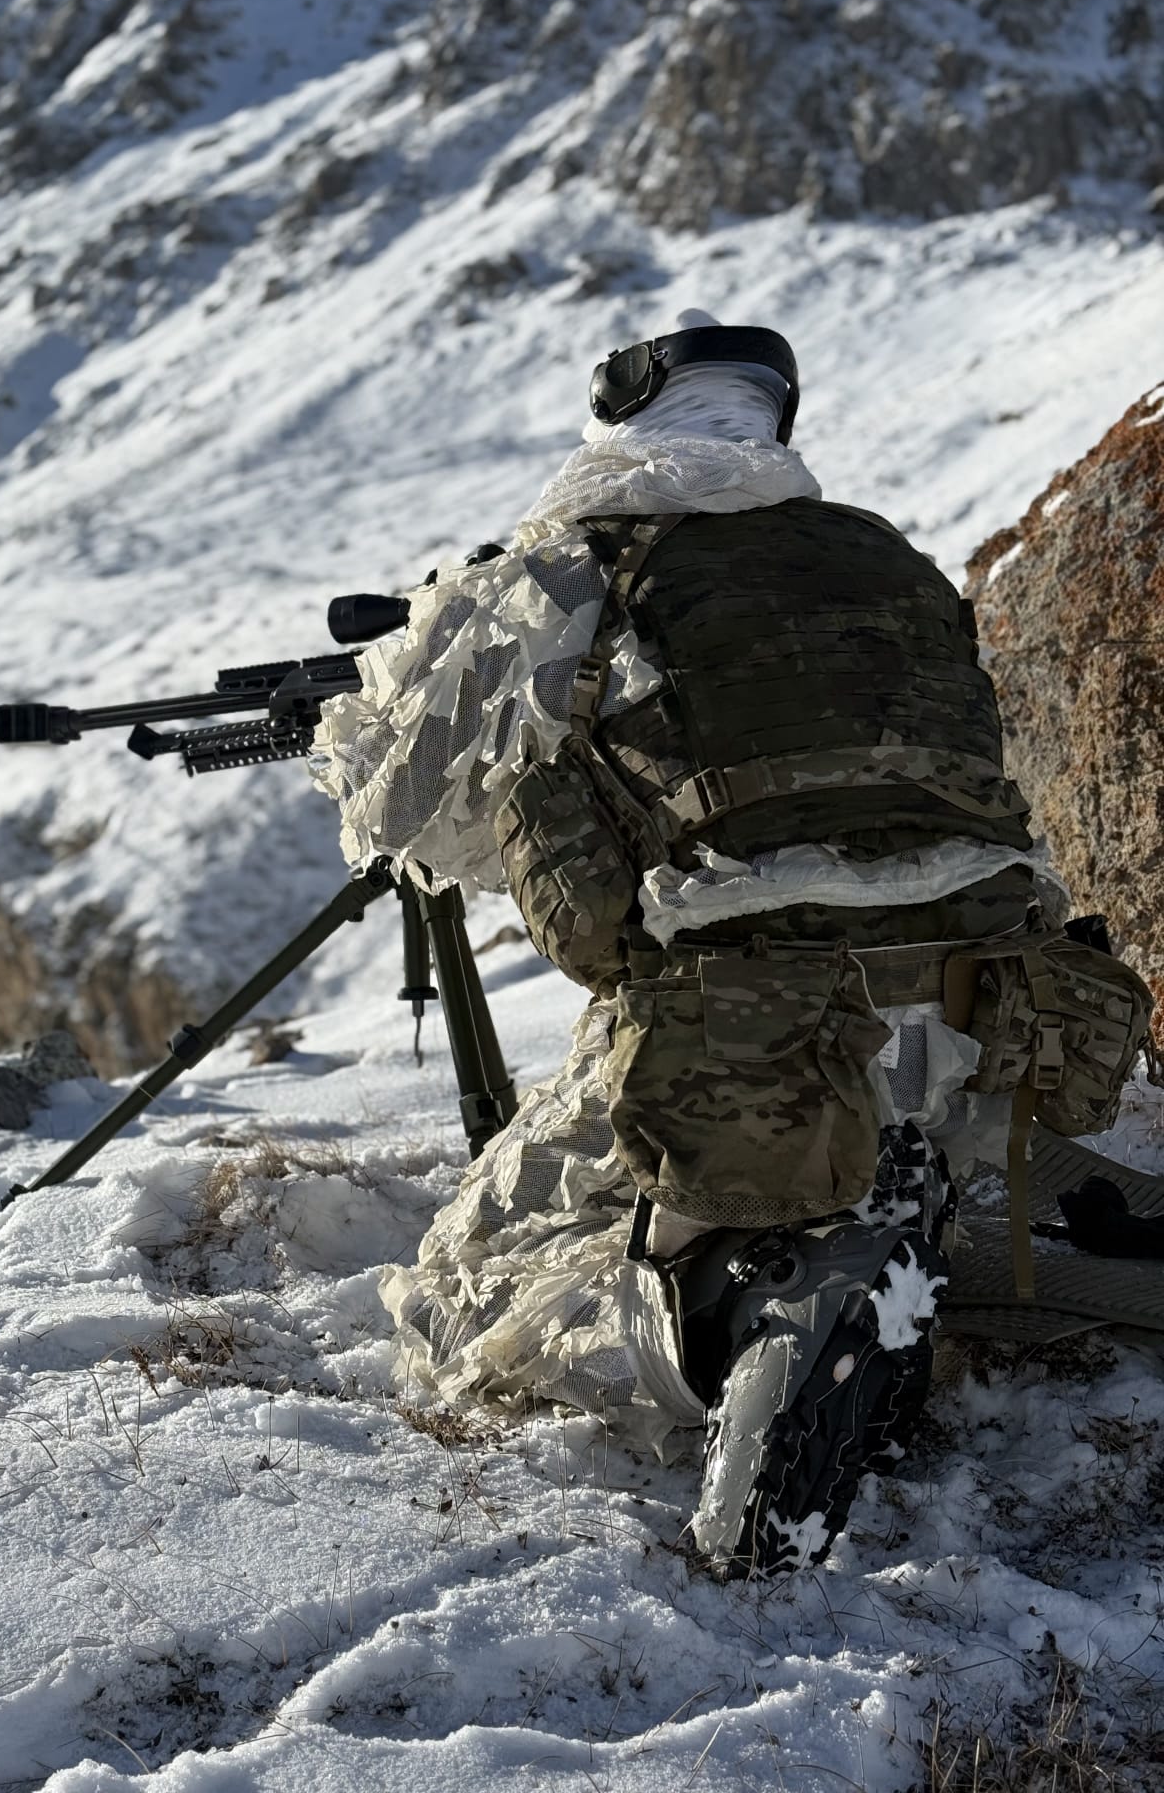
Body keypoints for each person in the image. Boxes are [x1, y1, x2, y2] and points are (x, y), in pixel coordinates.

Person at [309, 312, 1090, 1576]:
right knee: (880, 1129)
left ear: (617, 418)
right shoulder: (887, 561)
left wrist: (385, 698)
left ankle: (739, 1324)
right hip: (988, 1021)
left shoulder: (562, 575)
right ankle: (901, 1218)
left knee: (465, 1295)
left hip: (746, 1038)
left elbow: (406, 817)